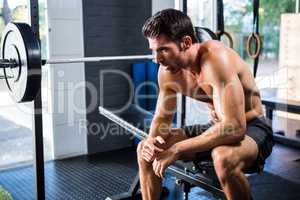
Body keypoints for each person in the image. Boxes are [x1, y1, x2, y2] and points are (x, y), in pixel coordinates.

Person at [137, 8, 273, 200]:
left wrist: (177, 149)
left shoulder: (215, 59)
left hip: (253, 126)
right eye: (154, 51)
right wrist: (152, 143)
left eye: (163, 50)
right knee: (144, 150)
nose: (157, 59)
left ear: (186, 42)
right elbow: (162, 118)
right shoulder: (167, 71)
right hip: (218, 127)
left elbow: (235, 127)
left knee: (223, 157)